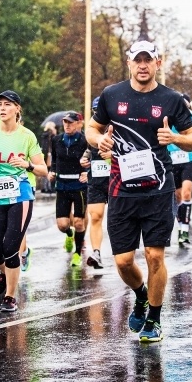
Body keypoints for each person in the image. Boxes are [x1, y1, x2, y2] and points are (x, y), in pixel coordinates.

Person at [85, 40, 192, 343]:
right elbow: (91, 128)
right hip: (121, 188)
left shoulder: (172, 100)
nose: (142, 65)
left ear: (158, 63)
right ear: (128, 62)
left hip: (159, 190)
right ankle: (140, 294)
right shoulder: (112, 95)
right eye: (137, 60)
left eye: (148, 60)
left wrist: (174, 138)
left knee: (154, 255)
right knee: (123, 261)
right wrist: (99, 141)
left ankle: (154, 317)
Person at [0, 90, 47, 313]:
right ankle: (5, 274)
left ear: (17, 109)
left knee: (10, 248)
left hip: (21, 195)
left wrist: (26, 165)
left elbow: (43, 170)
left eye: (7, 104)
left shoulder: (27, 136)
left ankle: (10, 297)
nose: (2, 108)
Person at [48, 111, 89, 266]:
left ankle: (77, 254)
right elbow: (55, 159)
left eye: (71, 122)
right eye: (65, 122)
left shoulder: (85, 141)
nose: (67, 125)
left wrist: (87, 173)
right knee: (62, 225)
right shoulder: (57, 139)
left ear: (79, 124)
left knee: (79, 222)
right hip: (62, 186)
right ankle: (69, 234)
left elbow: (92, 159)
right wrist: (52, 171)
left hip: (79, 186)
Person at [80, 97, 111, 270]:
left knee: (117, 220)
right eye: (95, 111)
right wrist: (85, 159)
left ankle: (122, 253)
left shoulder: (120, 129)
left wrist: (113, 155)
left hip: (117, 179)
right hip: (97, 179)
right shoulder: (92, 131)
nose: (98, 114)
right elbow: (89, 149)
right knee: (96, 216)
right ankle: (96, 253)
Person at [170, 94, 192, 245]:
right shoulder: (169, 115)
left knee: (186, 193)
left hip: (188, 160)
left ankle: (184, 229)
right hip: (173, 162)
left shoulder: (188, 117)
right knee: (177, 197)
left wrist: (188, 105)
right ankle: (180, 225)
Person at [39, 122, 57, 194]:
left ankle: (44, 187)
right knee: (50, 171)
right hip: (50, 155)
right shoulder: (51, 135)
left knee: (44, 172)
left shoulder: (44, 135)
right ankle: (49, 187)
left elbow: (44, 146)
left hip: (44, 155)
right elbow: (53, 145)